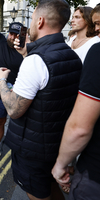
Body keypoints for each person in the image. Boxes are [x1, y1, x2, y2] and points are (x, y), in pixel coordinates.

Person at [0, 0, 82, 200]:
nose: (31, 23)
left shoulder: (37, 61)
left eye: (33, 18)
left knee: (38, 195)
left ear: (40, 21)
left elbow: (14, 109)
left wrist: (1, 81)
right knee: (52, 189)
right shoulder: (72, 55)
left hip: (33, 150)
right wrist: (27, 54)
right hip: (56, 145)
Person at [52, 41, 100, 199]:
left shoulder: (97, 51)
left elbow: (80, 129)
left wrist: (60, 165)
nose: (97, 28)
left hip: (94, 177)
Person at [0, 19, 23, 163]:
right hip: (0, 93)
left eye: (16, 35)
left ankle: (18, 153)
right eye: (11, 33)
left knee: (18, 125)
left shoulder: (25, 51)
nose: (12, 37)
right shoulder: (1, 41)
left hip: (17, 95)